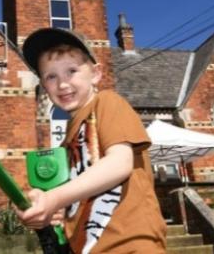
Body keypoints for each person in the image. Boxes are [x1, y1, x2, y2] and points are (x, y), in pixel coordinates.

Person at [18, 28, 167, 253]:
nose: (62, 84)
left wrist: (55, 197)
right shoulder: (64, 146)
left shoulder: (107, 103)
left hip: (131, 246)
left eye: (71, 71)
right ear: (43, 84)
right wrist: (44, 208)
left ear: (96, 73)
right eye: (51, 76)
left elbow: (120, 163)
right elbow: (72, 204)